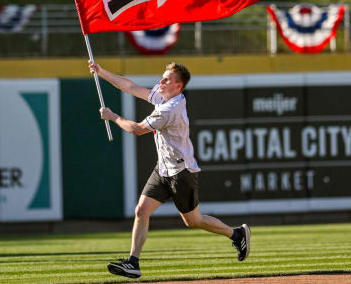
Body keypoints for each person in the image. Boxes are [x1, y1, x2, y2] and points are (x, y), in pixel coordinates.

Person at [89, 60, 250, 279]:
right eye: (162, 77)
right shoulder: (165, 96)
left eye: (166, 79)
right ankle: (133, 262)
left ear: (178, 87)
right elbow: (130, 87)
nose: (161, 81)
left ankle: (237, 234)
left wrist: (113, 116)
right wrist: (101, 71)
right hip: (163, 169)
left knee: (193, 221)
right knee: (141, 211)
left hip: (181, 173)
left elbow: (136, 129)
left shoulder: (169, 109)